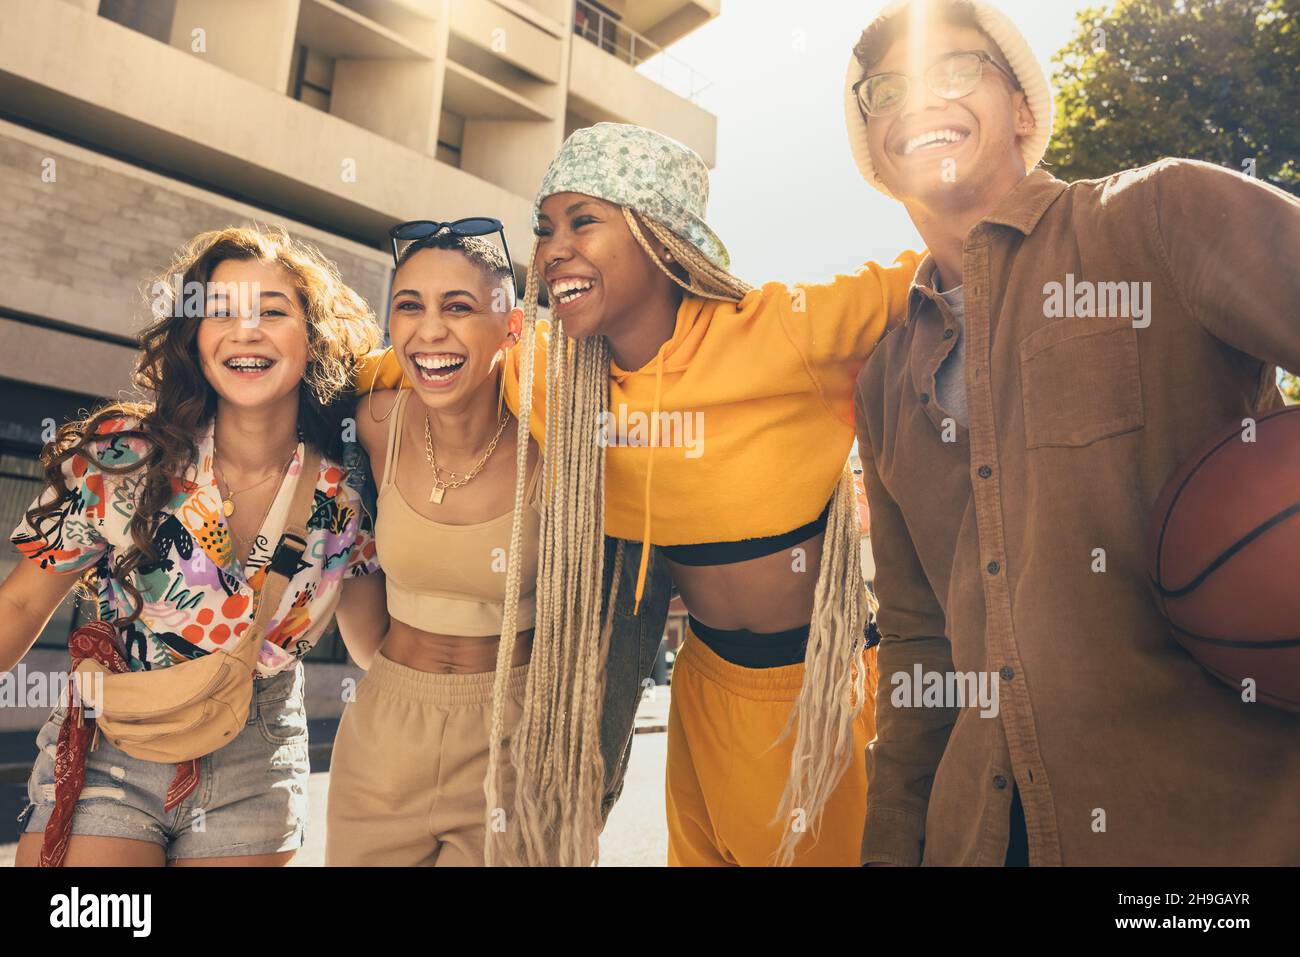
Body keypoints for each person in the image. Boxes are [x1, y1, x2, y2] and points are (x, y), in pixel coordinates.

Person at [847, 0, 1300, 865]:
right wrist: (890, 846)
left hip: (1215, 840)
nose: (917, 99)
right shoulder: (883, 382)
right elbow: (917, 643)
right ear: (875, 148)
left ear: (1023, 108)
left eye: (955, 69)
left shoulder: (1162, 217)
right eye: (886, 89)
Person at [493, 123, 920, 866]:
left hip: (819, 694)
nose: (552, 247)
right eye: (544, 227)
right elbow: (426, 356)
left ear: (661, 237)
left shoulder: (781, 333)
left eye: (583, 220)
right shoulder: (547, 377)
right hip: (702, 685)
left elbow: (942, 267)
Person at [4, 226, 385, 866]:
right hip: (114, 739)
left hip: (256, 750)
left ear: (311, 336)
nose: (247, 331)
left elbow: (380, 650)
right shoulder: (122, 459)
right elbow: (18, 607)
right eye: (222, 313)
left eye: (273, 311)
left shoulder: (351, 488)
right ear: (196, 338)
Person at [325, 227, 539, 867]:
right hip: (385, 733)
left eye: (459, 306)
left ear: (512, 327)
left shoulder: (556, 443)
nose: (430, 330)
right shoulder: (374, 422)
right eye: (409, 305)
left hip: (514, 734)